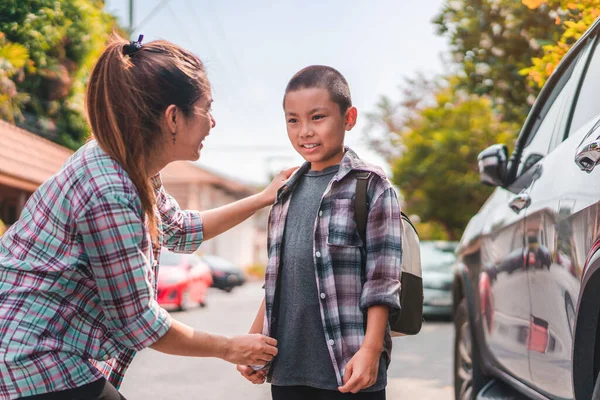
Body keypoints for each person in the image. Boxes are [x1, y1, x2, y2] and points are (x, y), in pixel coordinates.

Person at [0, 34, 294, 400]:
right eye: (207, 109)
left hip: (43, 354)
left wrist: (262, 198)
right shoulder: (109, 188)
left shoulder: (133, 164)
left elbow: (182, 230)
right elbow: (138, 322)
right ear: (173, 117)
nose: (213, 123)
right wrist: (229, 347)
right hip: (31, 358)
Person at [237, 65, 402, 399]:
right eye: (293, 120)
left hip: (349, 367)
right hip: (288, 370)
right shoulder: (283, 193)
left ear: (349, 118)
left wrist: (371, 351)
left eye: (318, 117)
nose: (305, 132)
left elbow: (382, 281)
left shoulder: (370, 186)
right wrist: (253, 341)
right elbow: (275, 281)